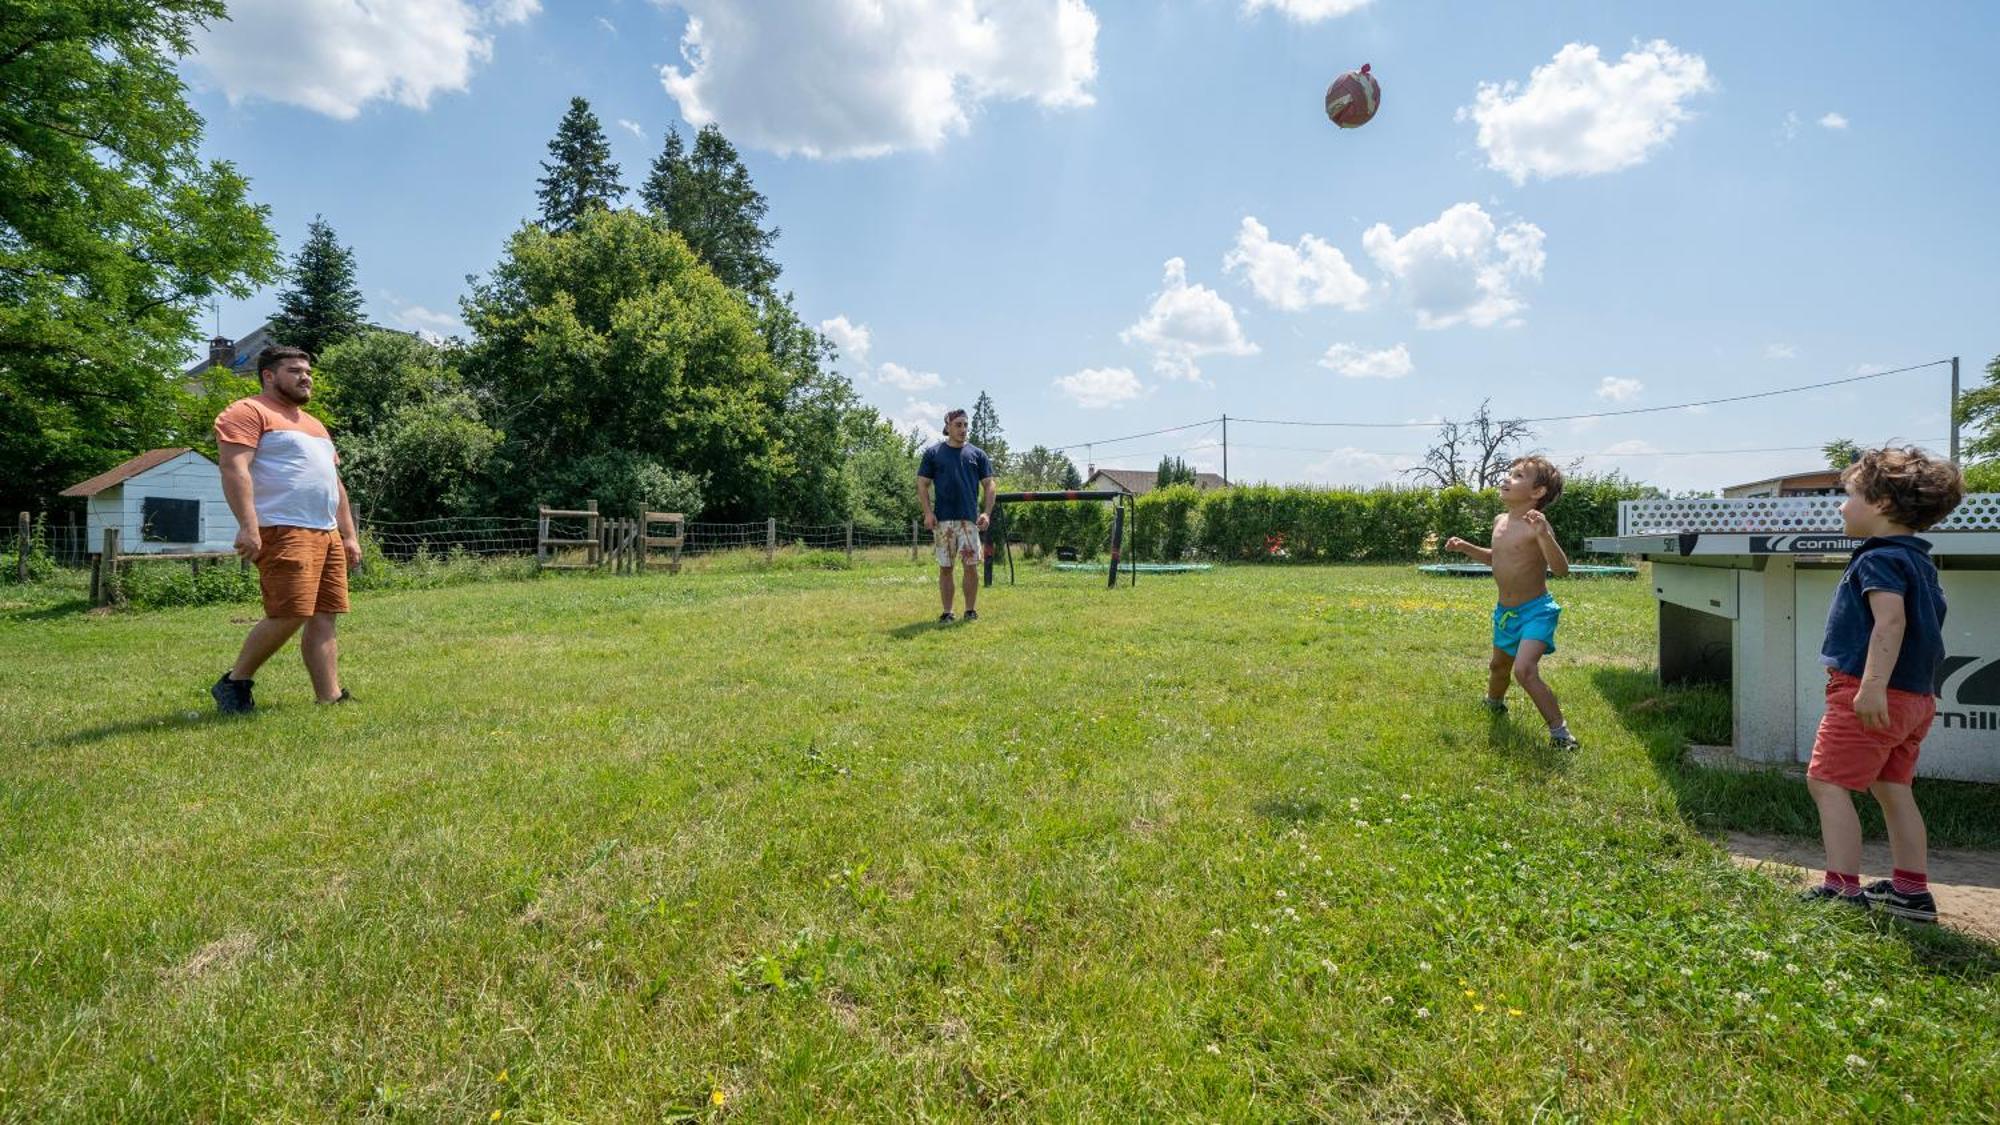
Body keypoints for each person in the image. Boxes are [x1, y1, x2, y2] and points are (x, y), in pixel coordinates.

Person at [1800, 446, 1964, 922]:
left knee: (1827, 782)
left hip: (1873, 693)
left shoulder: (1878, 559)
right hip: (1916, 697)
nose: (1840, 505)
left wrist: (1869, 687)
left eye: (1848, 495)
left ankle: (1841, 889)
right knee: (1894, 788)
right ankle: (1912, 892)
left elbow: (1888, 622)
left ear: (1882, 506)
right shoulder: (1918, 560)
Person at [209, 346, 361, 712]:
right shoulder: (248, 411)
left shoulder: (315, 425)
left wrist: (349, 535)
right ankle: (235, 682)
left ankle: (330, 695)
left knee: (325, 613)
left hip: (326, 533)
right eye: (295, 371)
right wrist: (248, 525)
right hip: (283, 527)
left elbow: (334, 483)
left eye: (307, 372)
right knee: (290, 612)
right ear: (269, 376)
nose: (305, 377)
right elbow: (235, 469)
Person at [1444, 455, 1578, 750]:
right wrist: (1465, 547)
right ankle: (1494, 703)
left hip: (1536, 611)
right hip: (1506, 613)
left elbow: (1560, 569)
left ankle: (1560, 733)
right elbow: (1496, 557)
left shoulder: (1537, 526)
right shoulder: (1499, 521)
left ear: (1537, 492)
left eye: (1517, 476)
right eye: (1509, 474)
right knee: (1498, 666)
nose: (1506, 479)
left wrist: (1545, 535)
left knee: (1524, 671)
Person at [916, 408, 995, 623]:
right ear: (948, 426)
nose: (963, 429)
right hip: (943, 521)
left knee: (971, 566)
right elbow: (922, 483)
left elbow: (989, 484)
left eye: (965, 425)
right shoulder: (933, 453)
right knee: (946, 568)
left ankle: (970, 610)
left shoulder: (977, 455)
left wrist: (986, 513)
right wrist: (928, 513)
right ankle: (947, 612)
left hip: (969, 520)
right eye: (958, 425)